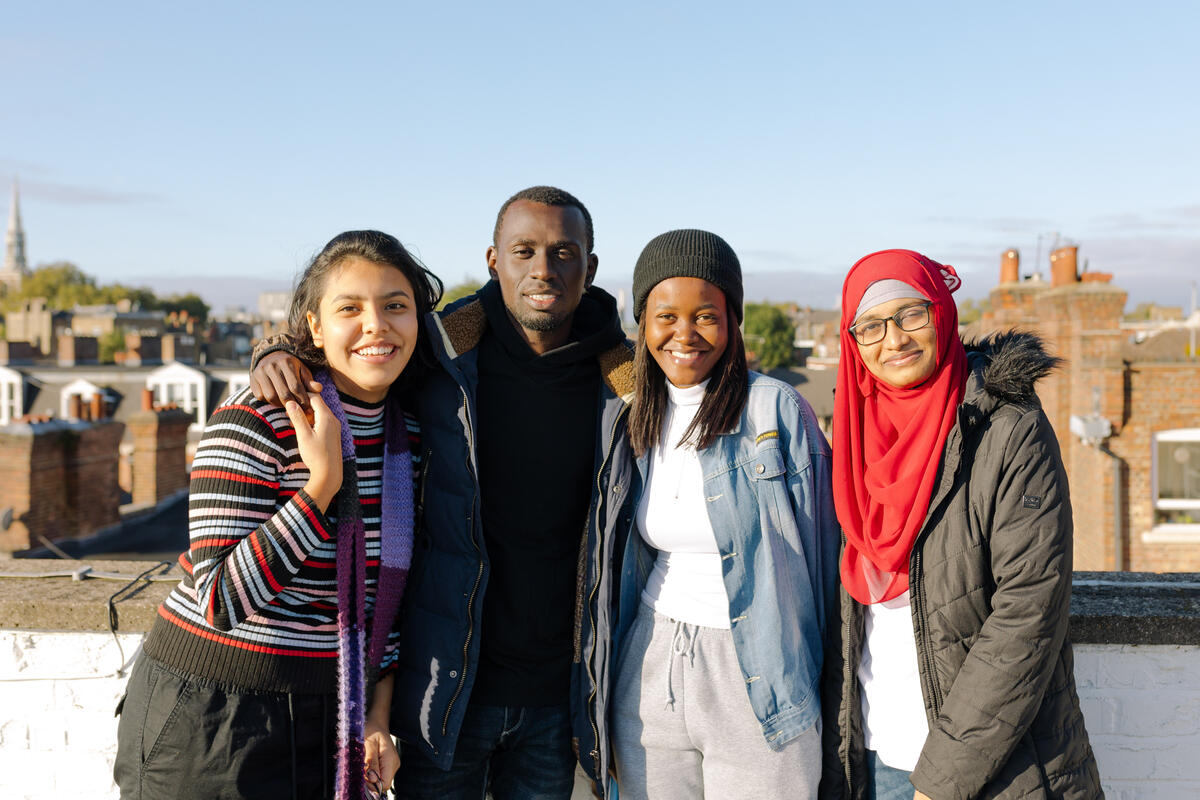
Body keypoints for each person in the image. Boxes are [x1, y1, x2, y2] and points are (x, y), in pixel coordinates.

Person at [250, 186, 634, 799]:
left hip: (558, 698)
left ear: (589, 267)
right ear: (492, 260)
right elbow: (359, 348)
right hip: (446, 691)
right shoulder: (444, 352)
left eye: (564, 253)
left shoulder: (624, 380)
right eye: (524, 250)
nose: (543, 269)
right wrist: (275, 350)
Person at [114, 230, 443, 800]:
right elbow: (219, 600)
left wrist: (377, 719)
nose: (376, 325)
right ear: (315, 326)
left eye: (396, 306)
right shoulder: (259, 418)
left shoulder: (408, 439)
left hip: (328, 713)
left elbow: (382, 610)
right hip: (213, 713)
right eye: (350, 308)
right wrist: (320, 488)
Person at [825, 249, 1102, 799]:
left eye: (912, 314)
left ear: (943, 314)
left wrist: (943, 781)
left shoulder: (1008, 429)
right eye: (871, 326)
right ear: (851, 342)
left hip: (991, 773)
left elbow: (1027, 611)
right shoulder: (851, 443)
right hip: (874, 757)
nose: (895, 338)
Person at [609, 230, 840, 799]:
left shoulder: (775, 409)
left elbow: (824, 560)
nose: (684, 334)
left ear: (733, 321)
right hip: (650, 661)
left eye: (706, 316)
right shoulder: (627, 417)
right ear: (642, 324)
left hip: (760, 673)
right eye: (665, 316)